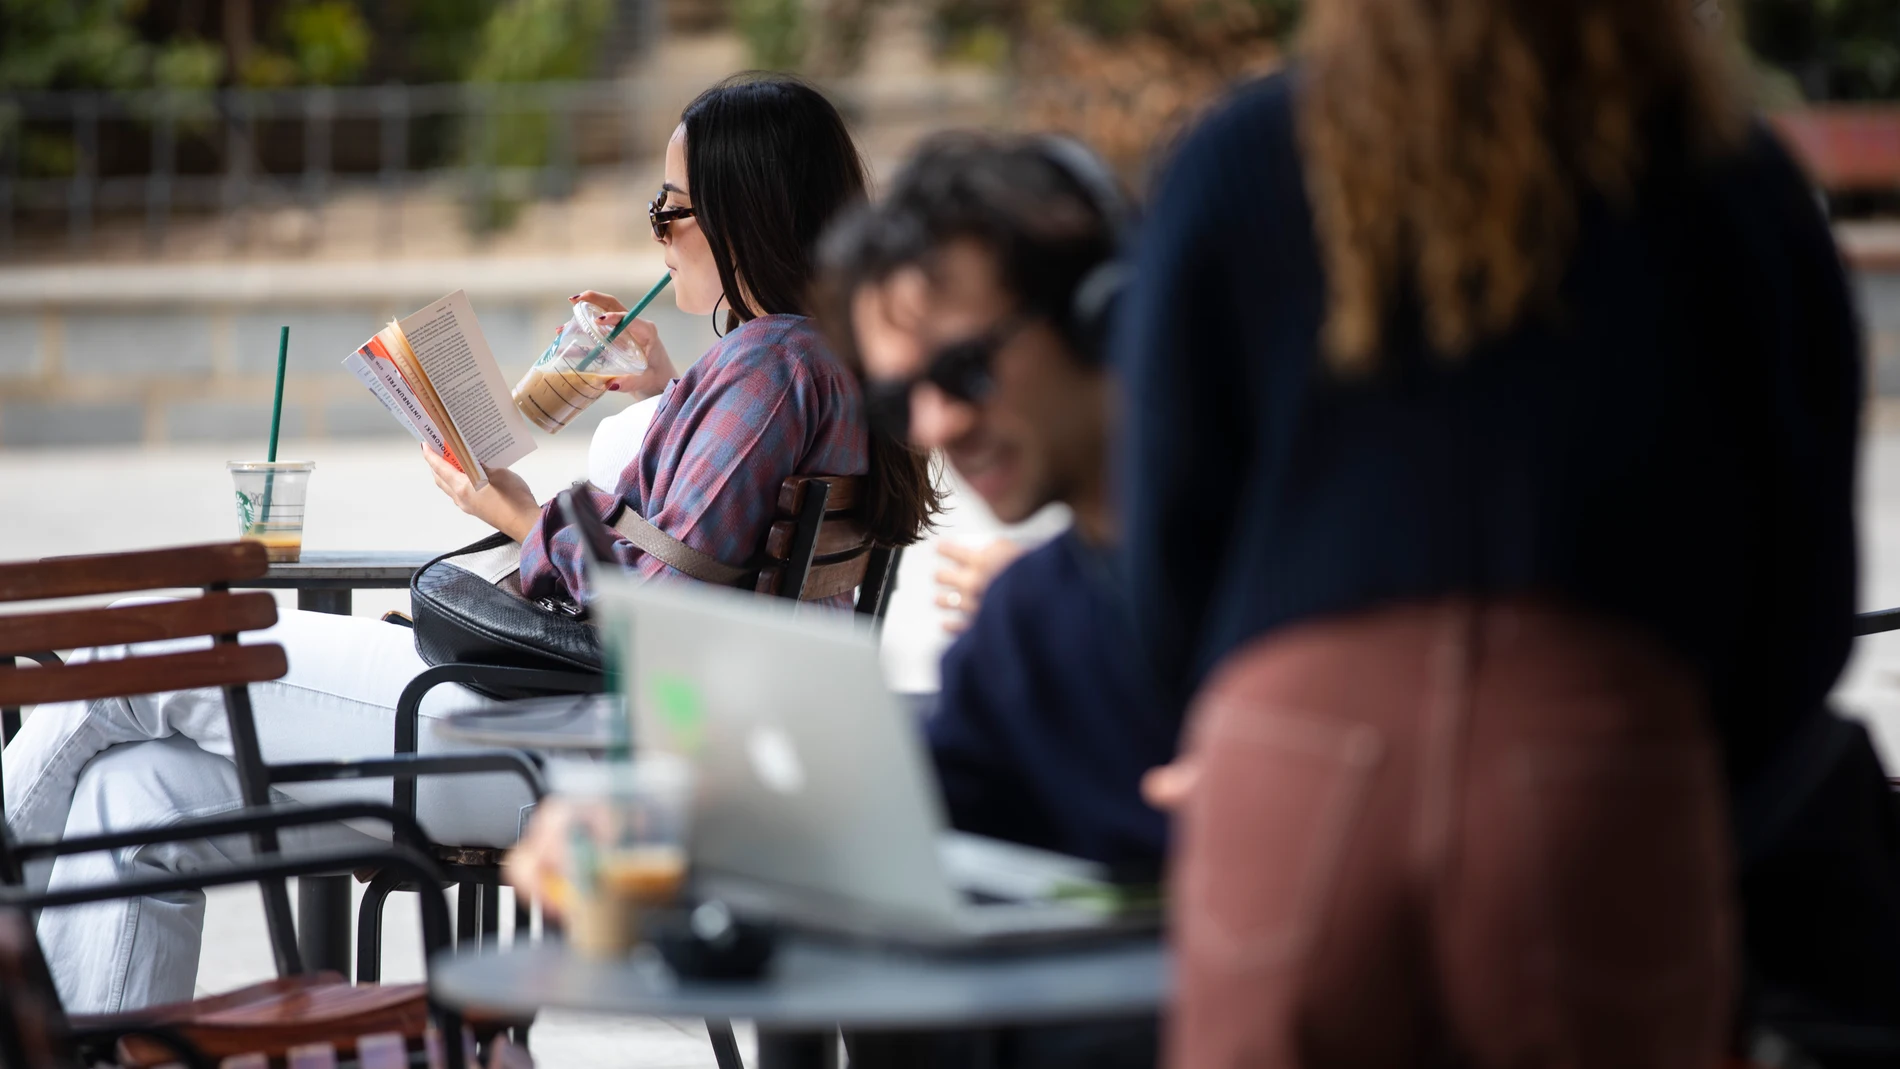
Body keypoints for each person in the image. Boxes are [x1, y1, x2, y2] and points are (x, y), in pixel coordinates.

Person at [3, 73, 935, 1014]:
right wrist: (662, 401)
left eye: (671, 207)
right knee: (136, 796)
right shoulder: (812, 360)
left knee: (137, 643)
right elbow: (703, 549)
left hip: (545, 738)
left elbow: (659, 610)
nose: (656, 228)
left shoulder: (769, 367)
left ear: (745, 210)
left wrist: (516, 512)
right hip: (572, 725)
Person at [1117, 3, 1869, 1067]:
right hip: (1601, 745)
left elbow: (1165, 536)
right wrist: (1695, 772)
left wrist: (1235, 716)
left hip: (1292, 746)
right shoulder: (1725, 173)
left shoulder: (1238, 158)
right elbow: (1804, 577)